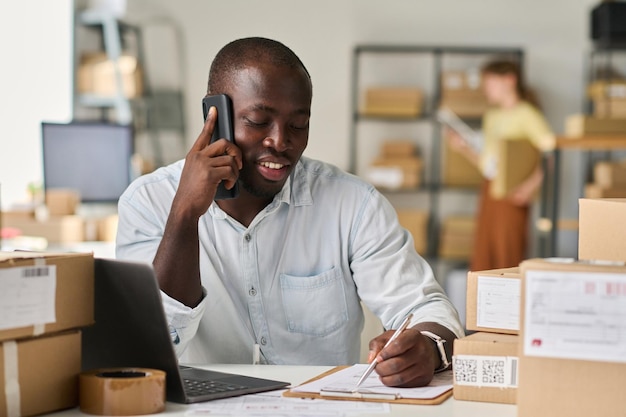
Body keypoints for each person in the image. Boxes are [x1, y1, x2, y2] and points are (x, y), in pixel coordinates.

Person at [116, 37, 463, 388]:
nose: (281, 142)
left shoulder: (352, 204)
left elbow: (427, 308)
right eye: (258, 121)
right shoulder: (149, 203)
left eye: (298, 125)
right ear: (214, 116)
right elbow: (148, 352)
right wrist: (184, 216)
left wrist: (429, 348)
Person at [448, 60, 555, 271]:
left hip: (513, 195)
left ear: (510, 80)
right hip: (489, 190)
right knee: (484, 255)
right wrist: (463, 149)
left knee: (508, 255)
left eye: (490, 82)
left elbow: (551, 155)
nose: (485, 88)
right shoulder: (492, 116)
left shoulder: (528, 115)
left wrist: (529, 187)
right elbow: (488, 165)